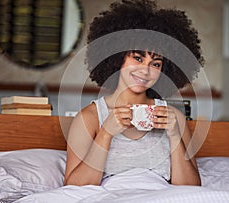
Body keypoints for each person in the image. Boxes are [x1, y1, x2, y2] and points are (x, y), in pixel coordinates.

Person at [64, 0, 204, 186]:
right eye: (138, 58)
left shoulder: (174, 118)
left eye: (155, 64)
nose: (145, 71)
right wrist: (106, 133)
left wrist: (175, 136)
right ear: (117, 57)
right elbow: (73, 188)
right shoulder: (89, 118)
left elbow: (191, 189)